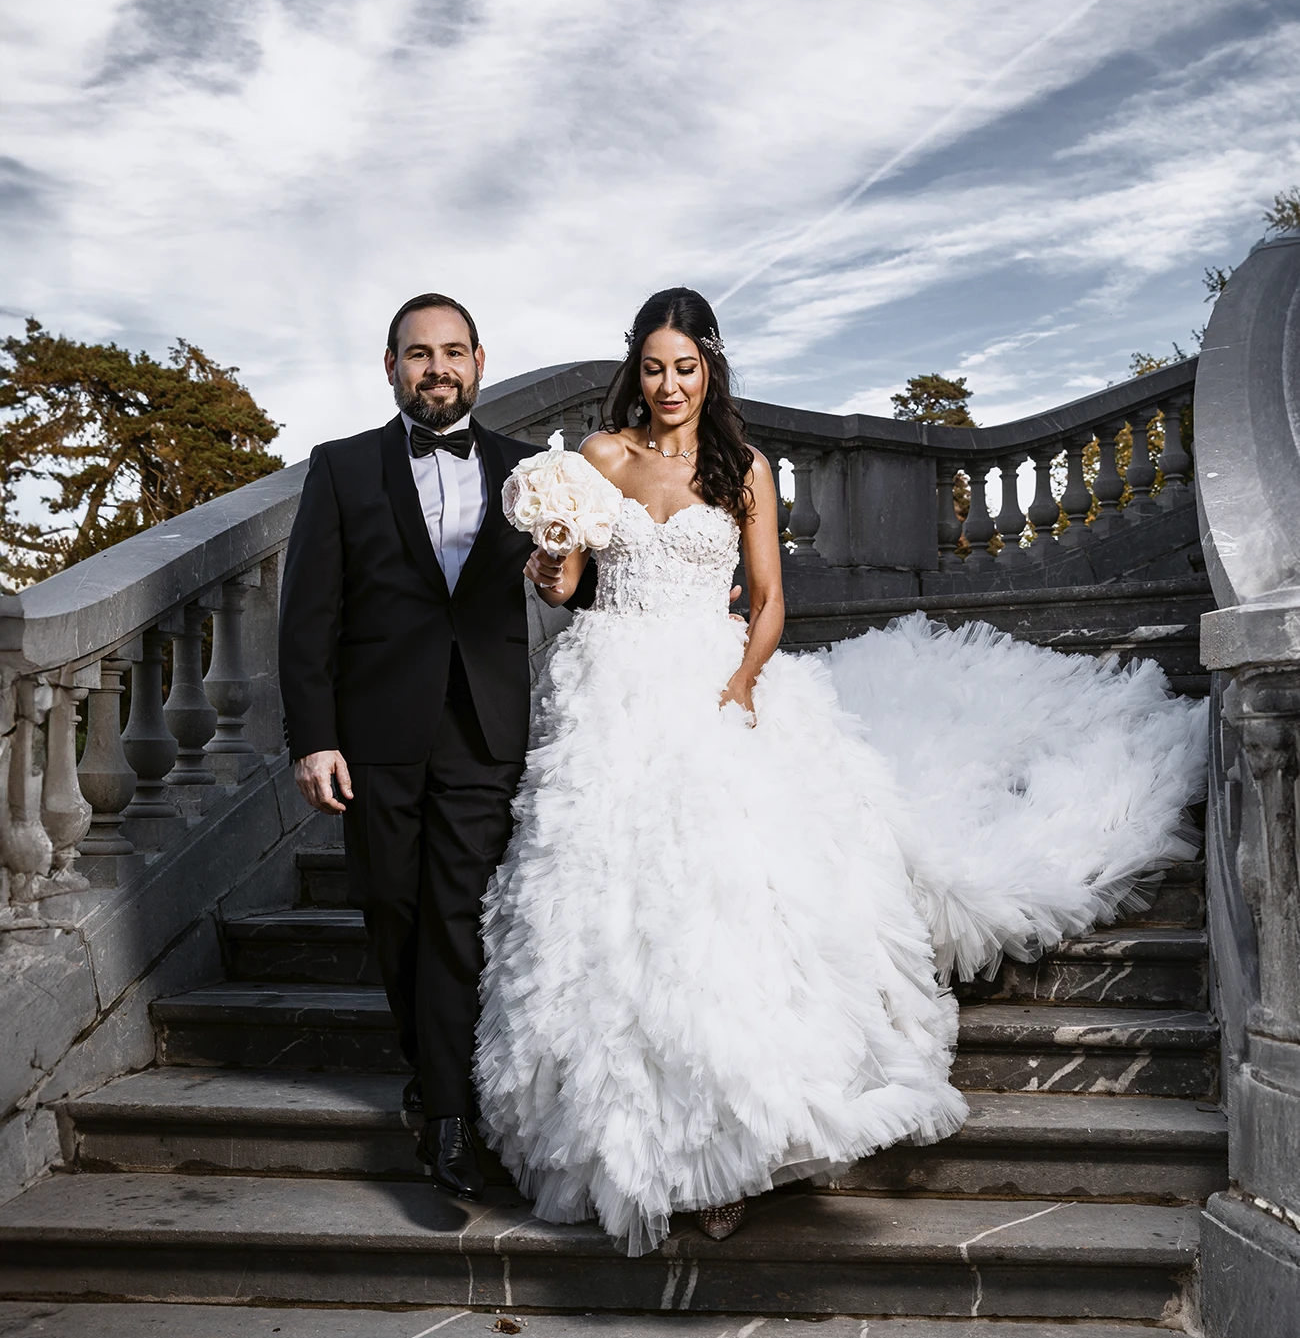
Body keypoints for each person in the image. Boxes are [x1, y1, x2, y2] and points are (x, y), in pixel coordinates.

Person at [474, 288, 1206, 1255]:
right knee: (607, 908)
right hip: (608, 685)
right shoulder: (600, 457)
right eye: (653, 368)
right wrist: (552, 563)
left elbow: (771, 602)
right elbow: (570, 588)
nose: (669, 386)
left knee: (726, 904)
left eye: (685, 368)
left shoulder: (744, 470)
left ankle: (733, 1146)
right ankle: (635, 1143)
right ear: (633, 370)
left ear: (710, 369)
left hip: (710, 682)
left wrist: (740, 683)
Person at [278, 292, 592, 1202]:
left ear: (481, 360)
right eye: (419, 354)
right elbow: (308, 618)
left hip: (484, 729)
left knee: (458, 918)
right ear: (391, 368)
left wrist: (558, 572)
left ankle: (448, 1116)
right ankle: (434, 1073)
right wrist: (315, 738)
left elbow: (575, 580)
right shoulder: (340, 470)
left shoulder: (532, 470)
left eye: (453, 351)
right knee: (391, 910)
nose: (437, 367)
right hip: (373, 734)